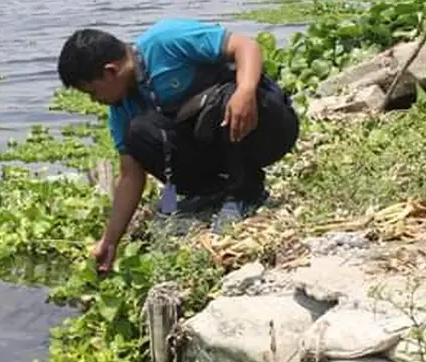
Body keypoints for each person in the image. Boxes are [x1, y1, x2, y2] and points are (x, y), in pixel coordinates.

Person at [57, 18, 299, 273]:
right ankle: (212, 193)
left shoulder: (166, 40)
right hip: (215, 146)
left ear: (110, 71)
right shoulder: (122, 108)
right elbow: (130, 175)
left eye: (93, 92)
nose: (96, 101)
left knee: (220, 103)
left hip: (267, 125)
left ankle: (245, 191)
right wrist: (109, 242)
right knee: (139, 134)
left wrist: (245, 91)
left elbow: (245, 46)